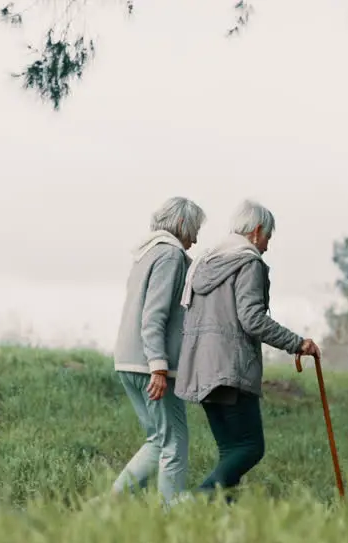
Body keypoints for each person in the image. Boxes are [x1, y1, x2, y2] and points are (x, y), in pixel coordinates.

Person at [175, 199, 320, 502]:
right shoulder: (248, 262)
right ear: (256, 231)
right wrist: (297, 343)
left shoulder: (205, 261)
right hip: (230, 367)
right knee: (250, 448)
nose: (266, 245)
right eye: (267, 236)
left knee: (231, 451)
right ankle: (193, 503)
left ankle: (220, 522)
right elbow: (252, 318)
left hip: (199, 368)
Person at [110, 196, 207, 507]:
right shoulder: (169, 255)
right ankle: (170, 513)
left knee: (157, 440)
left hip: (128, 360)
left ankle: (109, 506)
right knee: (174, 444)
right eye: (194, 229)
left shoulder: (145, 254)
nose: (196, 238)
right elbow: (154, 315)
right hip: (148, 363)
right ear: (181, 224)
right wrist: (159, 367)